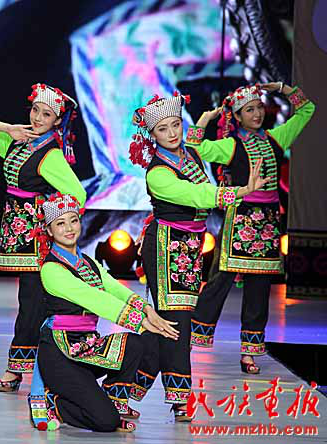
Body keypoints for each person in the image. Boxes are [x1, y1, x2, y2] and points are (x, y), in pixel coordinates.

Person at [127, 91, 268, 421]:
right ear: (152, 135)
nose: (172, 133)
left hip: (188, 246)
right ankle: (179, 399)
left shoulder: (188, 154)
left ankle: (124, 389)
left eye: (175, 125)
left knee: (166, 325)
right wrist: (241, 191)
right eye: (162, 129)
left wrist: (203, 120)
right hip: (165, 246)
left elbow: (194, 141)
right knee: (176, 324)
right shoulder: (158, 173)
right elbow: (195, 194)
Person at [188, 83, 315, 374]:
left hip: (267, 223)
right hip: (240, 218)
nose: (256, 114)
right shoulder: (230, 145)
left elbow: (307, 109)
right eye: (249, 110)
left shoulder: (276, 138)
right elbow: (194, 148)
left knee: (259, 288)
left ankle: (249, 352)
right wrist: (204, 121)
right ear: (237, 116)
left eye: (259, 107)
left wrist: (282, 88)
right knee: (219, 281)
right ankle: (192, 338)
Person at [0, 83, 86, 391]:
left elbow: (77, 195)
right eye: (35, 110)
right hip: (17, 233)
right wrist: (8, 129)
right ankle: (46, 366)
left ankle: (17, 369)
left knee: (32, 301)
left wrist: (49, 216)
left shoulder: (51, 155)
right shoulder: (18, 141)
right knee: (34, 299)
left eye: (46, 114)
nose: (37, 118)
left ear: (57, 121)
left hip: (37, 237)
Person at [30, 193, 178, 433]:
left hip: (86, 346)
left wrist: (146, 308)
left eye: (73, 220)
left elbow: (112, 287)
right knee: (105, 422)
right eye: (60, 223)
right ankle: (54, 403)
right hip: (60, 355)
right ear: (49, 230)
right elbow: (95, 299)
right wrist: (140, 321)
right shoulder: (51, 269)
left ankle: (115, 402)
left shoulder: (87, 262)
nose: (69, 228)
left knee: (137, 344)